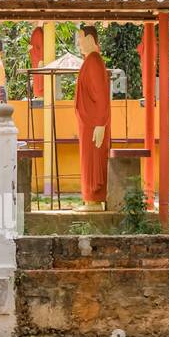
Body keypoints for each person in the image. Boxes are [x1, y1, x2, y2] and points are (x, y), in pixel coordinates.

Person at [74, 24, 111, 209]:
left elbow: (101, 96)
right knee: (88, 160)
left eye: (80, 37)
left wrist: (100, 123)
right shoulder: (90, 61)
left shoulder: (94, 61)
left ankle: (95, 199)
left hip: (94, 123)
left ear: (89, 39)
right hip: (88, 123)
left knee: (93, 160)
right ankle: (90, 198)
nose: (78, 42)